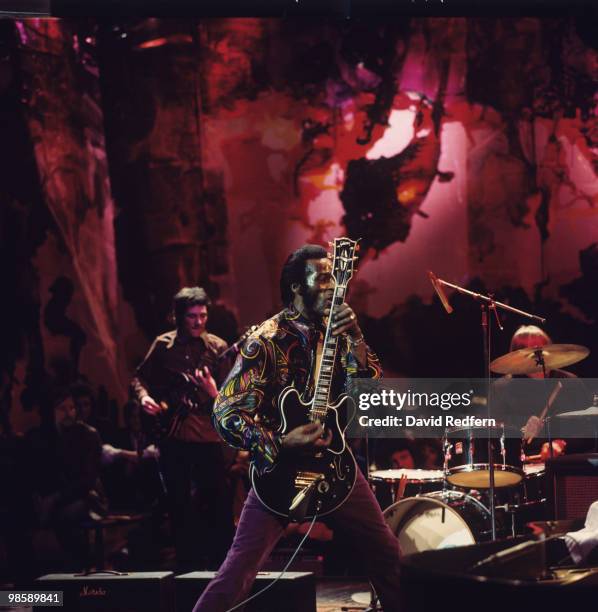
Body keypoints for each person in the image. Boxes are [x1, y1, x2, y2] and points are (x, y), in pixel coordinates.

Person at [193, 244, 402, 612]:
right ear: (295, 286)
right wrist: (279, 441)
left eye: (334, 277)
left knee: (387, 552)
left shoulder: (339, 333)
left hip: (336, 466)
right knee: (237, 573)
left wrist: (355, 337)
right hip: (278, 472)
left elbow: (370, 394)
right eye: (321, 278)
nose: (330, 285)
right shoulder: (266, 341)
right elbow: (225, 412)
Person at [131, 287, 234, 570]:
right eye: (192, 317)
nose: (199, 322)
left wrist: (214, 392)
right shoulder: (163, 345)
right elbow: (139, 378)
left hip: (208, 436)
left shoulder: (218, 347)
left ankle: (221, 569)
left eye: (203, 315)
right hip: (173, 435)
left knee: (217, 504)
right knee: (178, 504)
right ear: (178, 317)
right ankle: (187, 569)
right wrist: (145, 398)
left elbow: (235, 398)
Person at [492, 325, 590, 459]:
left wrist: (562, 444)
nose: (534, 355)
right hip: (526, 466)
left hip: (570, 464)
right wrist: (521, 434)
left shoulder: (571, 382)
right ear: (515, 356)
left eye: (538, 348)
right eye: (524, 349)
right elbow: (496, 441)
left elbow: (588, 432)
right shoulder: (502, 388)